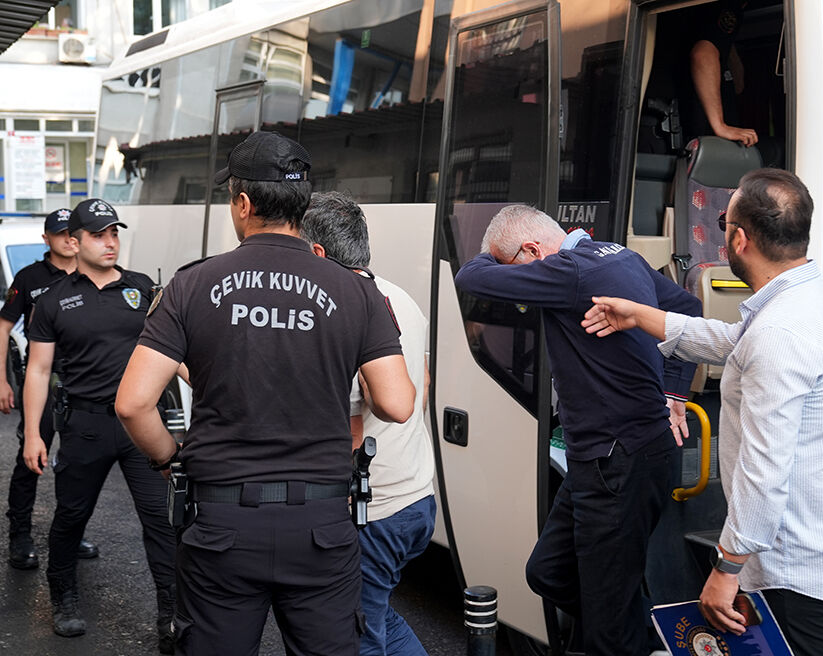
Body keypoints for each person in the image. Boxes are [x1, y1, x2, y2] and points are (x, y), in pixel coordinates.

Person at [115, 131, 415, 656]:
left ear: (243, 203)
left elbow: (133, 403)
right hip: (321, 527)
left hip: (222, 526)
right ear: (302, 203)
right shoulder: (356, 290)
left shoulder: (192, 284)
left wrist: (168, 460)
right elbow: (397, 404)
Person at [582, 169, 823, 655]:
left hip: (800, 574)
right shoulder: (819, 297)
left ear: (740, 239)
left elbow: (764, 469)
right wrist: (640, 315)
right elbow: (736, 343)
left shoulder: (780, 332)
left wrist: (727, 568)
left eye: (724, 222)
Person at [453, 205, 702, 656]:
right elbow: (687, 306)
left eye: (514, 266)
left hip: (617, 462)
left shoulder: (567, 270)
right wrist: (675, 391)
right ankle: (645, 638)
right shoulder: (619, 255)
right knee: (549, 573)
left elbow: (470, 276)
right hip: (610, 458)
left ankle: (630, 638)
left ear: (533, 250)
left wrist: (493, 256)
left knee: (607, 630)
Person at [21, 199, 176, 651]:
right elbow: (38, 371)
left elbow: (172, 351)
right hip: (85, 424)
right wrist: (33, 434)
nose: (110, 242)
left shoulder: (142, 288)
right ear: (74, 242)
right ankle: (64, 598)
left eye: (114, 233)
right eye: (98, 235)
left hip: (142, 425)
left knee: (162, 521)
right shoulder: (53, 300)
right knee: (72, 515)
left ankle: (171, 615)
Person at [300, 191, 436, 656]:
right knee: (374, 614)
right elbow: (422, 383)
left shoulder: (338, 310)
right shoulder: (402, 298)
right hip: (416, 497)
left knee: (354, 633)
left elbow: (350, 428)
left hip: (373, 509)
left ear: (318, 252)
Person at [1, 208, 98, 569]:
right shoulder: (30, 278)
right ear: (47, 239)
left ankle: (72, 532)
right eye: (60, 234)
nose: (69, 240)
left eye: (73, 233)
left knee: (78, 463)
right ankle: (20, 535)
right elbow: (3, 327)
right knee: (31, 458)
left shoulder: (91, 274)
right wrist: (1, 380)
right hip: (42, 380)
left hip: (81, 381)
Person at [685, 0, 756, 147]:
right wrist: (720, 126)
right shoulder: (724, 6)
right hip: (690, 128)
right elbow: (702, 55)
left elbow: (738, 86)